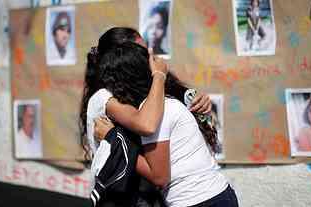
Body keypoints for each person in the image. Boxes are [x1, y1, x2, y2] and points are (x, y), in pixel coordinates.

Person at [78, 27, 213, 206]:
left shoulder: (140, 92)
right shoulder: (103, 97)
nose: (150, 57)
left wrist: (198, 101)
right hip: (119, 195)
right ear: (120, 58)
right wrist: (159, 76)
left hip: (152, 194)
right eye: (142, 51)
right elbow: (146, 124)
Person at [94, 42, 238, 207]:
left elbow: (159, 177)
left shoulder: (155, 110)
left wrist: (114, 140)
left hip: (199, 201)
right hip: (214, 196)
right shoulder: (161, 103)